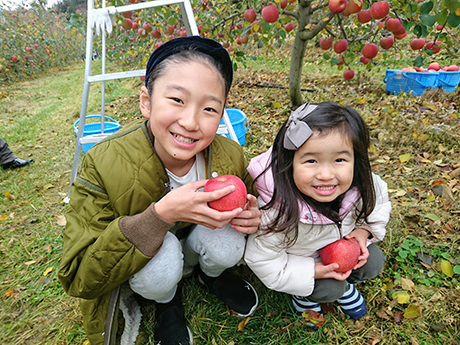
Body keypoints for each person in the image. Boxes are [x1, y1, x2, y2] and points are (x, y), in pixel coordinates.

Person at [58, 36, 261, 345]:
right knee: (159, 261)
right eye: (177, 100)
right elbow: (79, 278)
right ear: (146, 102)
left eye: (209, 108)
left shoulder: (229, 155)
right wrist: (159, 216)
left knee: (229, 241)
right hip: (152, 257)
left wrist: (252, 214)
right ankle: (167, 301)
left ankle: (211, 274)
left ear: (221, 114)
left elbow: (249, 201)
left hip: (194, 243)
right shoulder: (103, 163)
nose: (191, 122)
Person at [244, 102, 391, 323]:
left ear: (356, 159)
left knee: (374, 262)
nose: (325, 174)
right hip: (304, 261)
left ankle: (346, 284)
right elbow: (264, 261)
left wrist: (363, 232)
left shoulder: (362, 186)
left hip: (343, 249)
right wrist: (311, 272)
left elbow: (379, 203)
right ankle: (304, 297)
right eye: (311, 161)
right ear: (290, 162)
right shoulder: (277, 212)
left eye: (339, 160)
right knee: (330, 289)